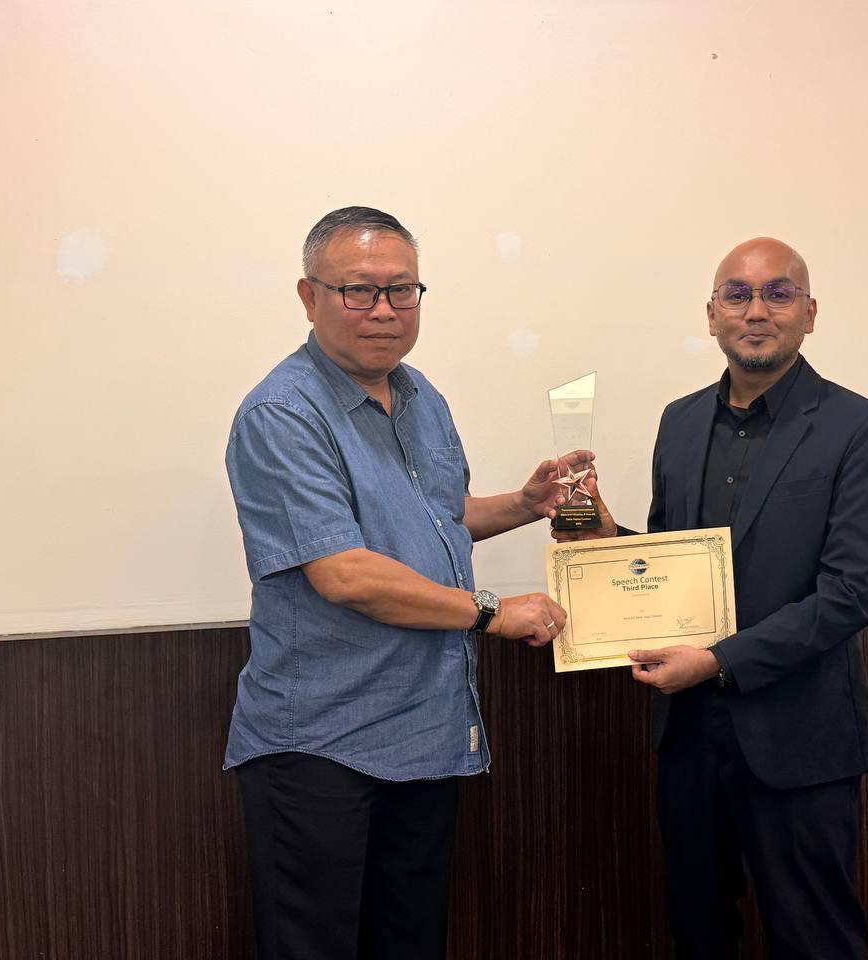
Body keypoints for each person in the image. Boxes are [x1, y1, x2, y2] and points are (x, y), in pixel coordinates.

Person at [223, 206, 587, 960]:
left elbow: (436, 519)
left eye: (402, 290)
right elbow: (345, 572)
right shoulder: (282, 413)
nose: (384, 309)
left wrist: (525, 505)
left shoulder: (420, 396)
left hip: (423, 734)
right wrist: (491, 612)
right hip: (322, 745)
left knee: (411, 942)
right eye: (359, 290)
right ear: (310, 296)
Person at [558, 237, 868, 959]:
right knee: (698, 929)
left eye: (779, 293)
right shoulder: (680, 422)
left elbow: (849, 594)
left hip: (800, 737)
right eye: (737, 295)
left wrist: (717, 660)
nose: (757, 310)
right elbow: (671, 562)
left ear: (810, 313)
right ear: (711, 315)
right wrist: (603, 538)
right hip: (688, 734)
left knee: (815, 938)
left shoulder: (858, 426)